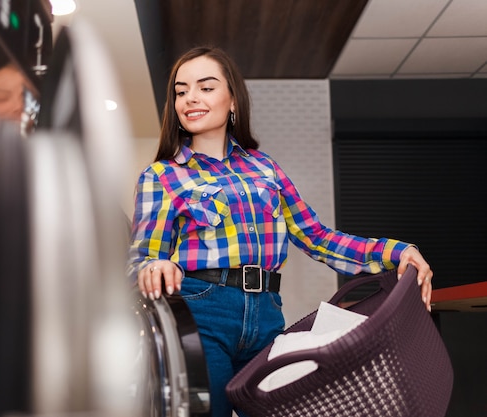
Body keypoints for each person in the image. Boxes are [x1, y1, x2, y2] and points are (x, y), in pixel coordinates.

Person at [126, 46, 433, 417]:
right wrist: (153, 267)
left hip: (268, 317)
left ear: (233, 100)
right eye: (181, 90)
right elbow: (142, 259)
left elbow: (317, 237)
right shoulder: (161, 176)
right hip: (201, 313)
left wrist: (396, 251)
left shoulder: (265, 168)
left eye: (206, 88)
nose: (190, 98)